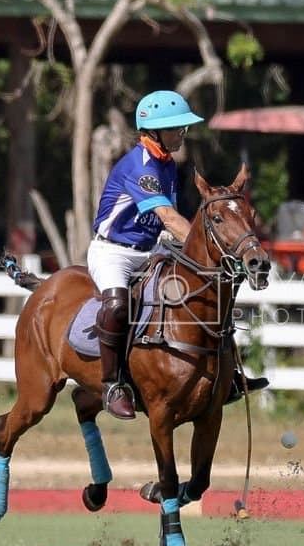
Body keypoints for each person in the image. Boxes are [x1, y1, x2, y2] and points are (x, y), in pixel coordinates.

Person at [88, 89, 268, 419]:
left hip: (150, 248)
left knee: (208, 296)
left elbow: (169, 223)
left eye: (182, 128)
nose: (182, 134)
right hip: (113, 251)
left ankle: (226, 376)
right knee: (116, 305)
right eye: (175, 128)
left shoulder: (167, 164)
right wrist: (202, 253)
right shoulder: (140, 167)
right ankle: (113, 384)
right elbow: (169, 218)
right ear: (153, 131)